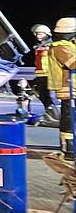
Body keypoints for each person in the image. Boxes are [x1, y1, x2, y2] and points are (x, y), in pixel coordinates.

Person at [47, 17, 76, 160]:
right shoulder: (61, 47)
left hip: (72, 89)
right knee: (69, 121)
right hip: (70, 89)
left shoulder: (66, 45)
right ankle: (69, 149)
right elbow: (73, 63)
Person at [31, 24, 57, 123]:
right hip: (40, 75)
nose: (38, 36)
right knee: (43, 96)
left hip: (49, 74)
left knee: (51, 96)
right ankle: (48, 114)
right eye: (37, 34)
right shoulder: (38, 47)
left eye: (40, 34)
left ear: (46, 34)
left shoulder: (51, 46)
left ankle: (54, 114)